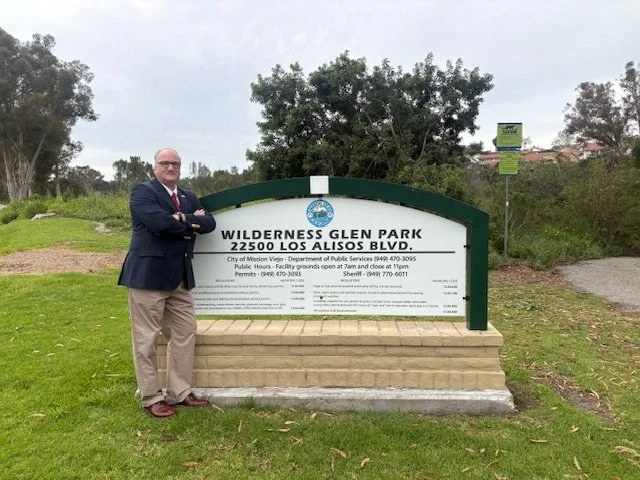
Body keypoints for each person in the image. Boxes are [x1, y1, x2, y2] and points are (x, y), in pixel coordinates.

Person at [118, 147, 216, 418]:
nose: (171, 168)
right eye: (165, 163)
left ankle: (179, 392)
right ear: (155, 167)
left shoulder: (188, 196)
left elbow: (209, 224)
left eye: (175, 164)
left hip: (180, 277)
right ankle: (151, 397)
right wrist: (188, 222)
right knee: (146, 339)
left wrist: (184, 217)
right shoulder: (143, 192)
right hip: (148, 277)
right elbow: (159, 224)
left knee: (185, 331)